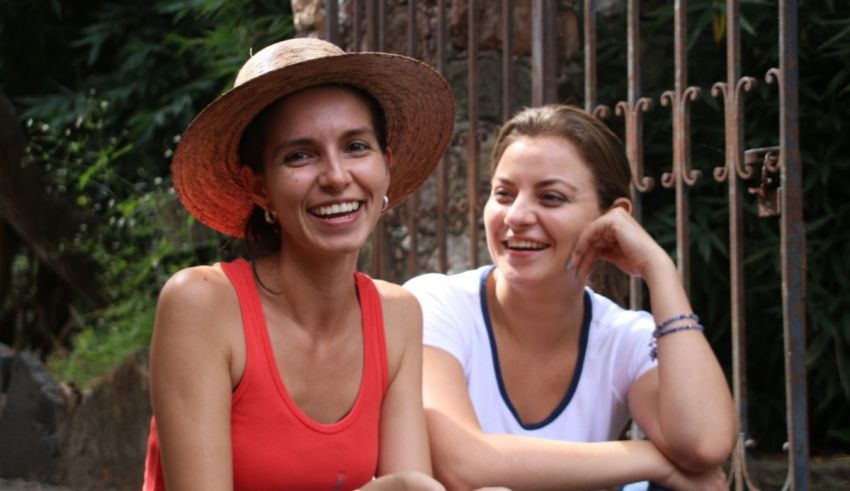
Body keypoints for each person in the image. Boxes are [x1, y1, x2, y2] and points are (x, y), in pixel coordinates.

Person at [142, 37, 456, 490]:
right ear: (259, 188)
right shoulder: (203, 305)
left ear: (385, 165)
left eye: (355, 147)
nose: (335, 176)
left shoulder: (396, 314)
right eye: (300, 155)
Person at [403, 104, 739, 490]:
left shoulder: (622, 336)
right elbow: (464, 465)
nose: (516, 216)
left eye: (551, 198)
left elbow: (703, 444)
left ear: (612, 217)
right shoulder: (436, 305)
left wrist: (659, 270)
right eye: (504, 194)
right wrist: (651, 460)